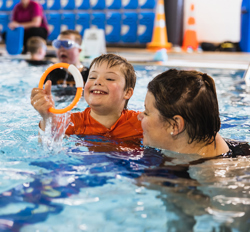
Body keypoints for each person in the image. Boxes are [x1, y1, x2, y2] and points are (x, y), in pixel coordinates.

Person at [30, 53, 143, 139]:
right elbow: (48, 150)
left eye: (109, 78)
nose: (97, 82)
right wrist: (47, 118)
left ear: (127, 93)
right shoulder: (72, 122)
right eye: (92, 77)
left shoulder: (140, 122)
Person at [138, 69, 234, 158]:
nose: (139, 116)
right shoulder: (203, 134)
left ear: (175, 125)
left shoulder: (206, 173)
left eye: (146, 113)